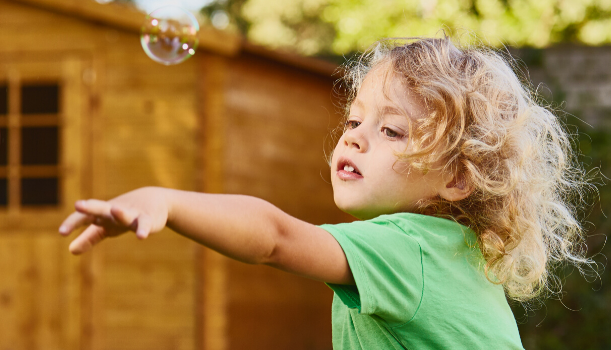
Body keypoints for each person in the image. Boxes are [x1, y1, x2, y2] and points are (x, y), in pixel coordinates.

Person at [58, 37, 595, 349]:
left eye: (392, 131)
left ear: (456, 180)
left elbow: (273, 237)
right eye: (355, 119)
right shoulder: (455, 254)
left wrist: (168, 202)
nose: (355, 136)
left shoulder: (408, 248)